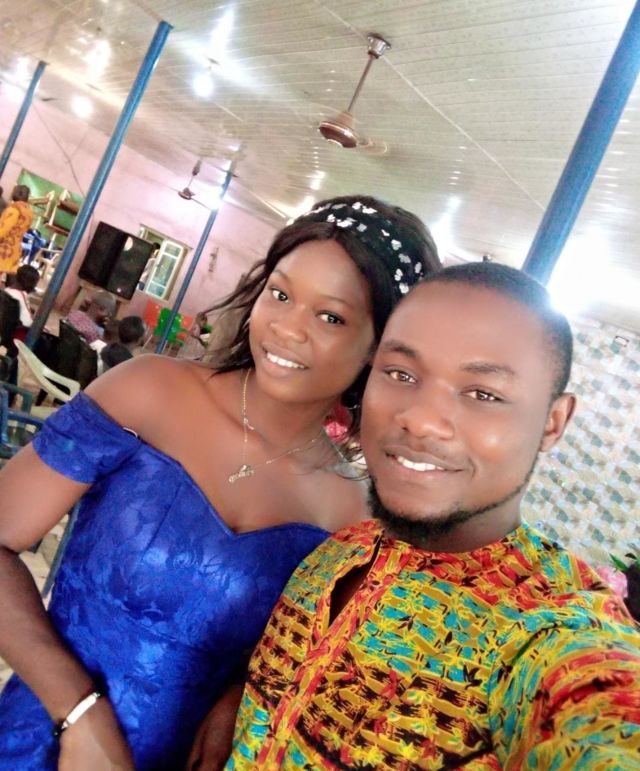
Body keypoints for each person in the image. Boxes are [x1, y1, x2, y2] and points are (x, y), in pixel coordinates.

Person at [0, 195, 440, 770]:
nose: (288, 329)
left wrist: (241, 693)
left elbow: (298, 668)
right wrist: (79, 713)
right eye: (280, 294)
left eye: (331, 317)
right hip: (38, 741)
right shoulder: (149, 393)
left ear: (379, 347)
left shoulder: (351, 516)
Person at [226, 263, 640, 770]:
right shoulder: (339, 548)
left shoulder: (550, 629)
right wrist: (243, 697)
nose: (420, 419)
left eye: (483, 394)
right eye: (401, 374)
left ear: (553, 423)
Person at [0, 185, 33, 278]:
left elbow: (3, 231)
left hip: (4, 248)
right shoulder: (29, 213)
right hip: (14, 248)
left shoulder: (13, 210)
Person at [4, 265, 40, 331]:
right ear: (27, 282)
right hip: (21, 331)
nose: (34, 286)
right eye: (34, 283)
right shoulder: (12, 296)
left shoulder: (19, 292)